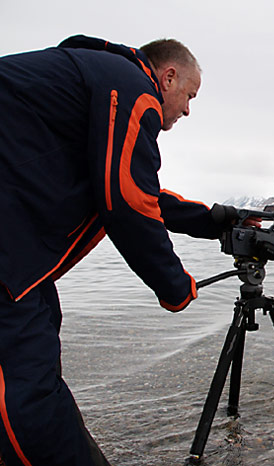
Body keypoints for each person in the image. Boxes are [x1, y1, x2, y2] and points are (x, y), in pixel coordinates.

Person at [0, 35, 238, 465]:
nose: (187, 109)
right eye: (189, 95)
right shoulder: (133, 90)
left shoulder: (100, 79)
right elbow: (126, 198)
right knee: (28, 387)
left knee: (36, 336)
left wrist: (216, 219)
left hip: (18, 249)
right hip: (9, 253)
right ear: (168, 76)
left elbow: (132, 188)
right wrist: (174, 286)